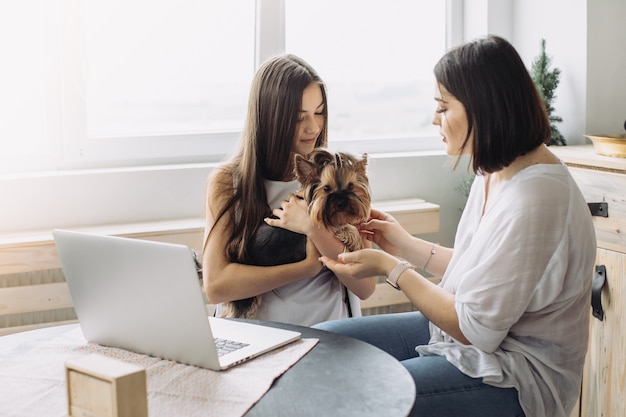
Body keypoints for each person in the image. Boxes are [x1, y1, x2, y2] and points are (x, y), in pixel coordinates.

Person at [313, 35, 597, 417]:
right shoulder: (495, 171)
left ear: (484, 108)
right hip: (466, 343)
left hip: (514, 372)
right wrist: (404, 244)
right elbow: (482, 275)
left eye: (443, 107)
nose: (434, 118)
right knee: (323, 347)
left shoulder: (537, 198)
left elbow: (475, 327)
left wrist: (391, 269)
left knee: (365, 393)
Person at [202, 54, 375, 326]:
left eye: (319, 112)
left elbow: (365, 287)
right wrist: (303, 269)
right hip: (257, 335)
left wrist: (313, 229)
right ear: (269, 118)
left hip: (330, 332)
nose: (313, 127)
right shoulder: (228, 181)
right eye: (298, 117)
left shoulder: (337, 176)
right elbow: (216, 286)